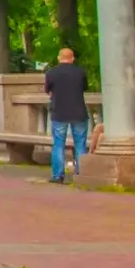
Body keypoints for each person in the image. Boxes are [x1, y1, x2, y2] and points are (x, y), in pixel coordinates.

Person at [45, 46, 91, 182]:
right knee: (80, 144)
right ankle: (81, 173)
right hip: (79, 112)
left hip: (59, 112)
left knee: (59, 144)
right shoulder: (80, 72)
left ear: (59, 58)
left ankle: (58, 175)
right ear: (72, 58)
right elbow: (84, 87)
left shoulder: (51, 73)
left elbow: (47, 90)